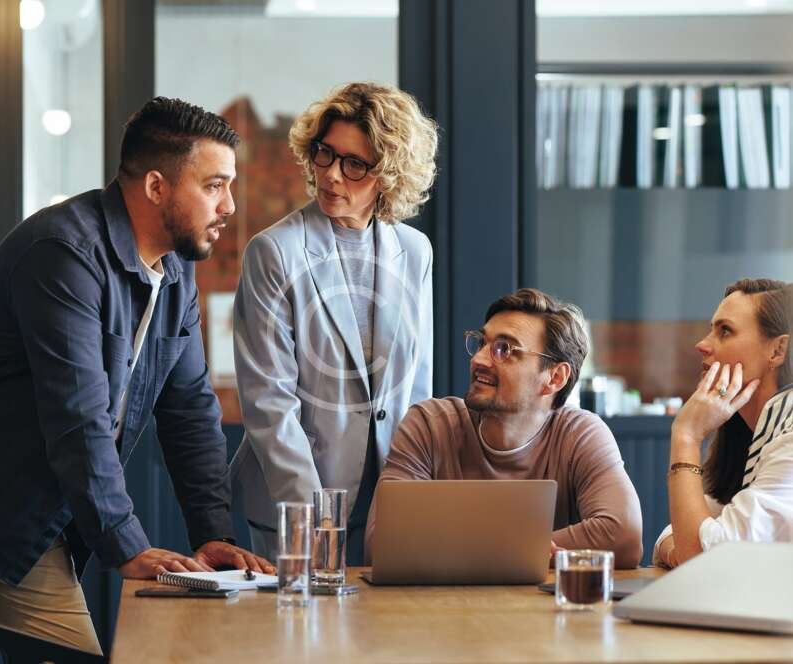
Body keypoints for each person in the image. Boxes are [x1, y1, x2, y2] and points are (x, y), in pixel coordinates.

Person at [0, 97, 273, 655]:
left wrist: (213, 535)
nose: (229, 205)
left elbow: (191, 410)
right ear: (156, 186)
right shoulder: (63, 253)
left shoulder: (174, 273)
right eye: (214, 186)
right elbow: (77, 417)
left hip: (25, 521)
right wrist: (128, 546)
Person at [230, 82, 438, 565]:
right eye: (325, 154)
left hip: (391, 499)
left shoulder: (415, 251)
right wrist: (314, 522)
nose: (331, 175)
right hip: (298, 500)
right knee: (305, 617)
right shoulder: (274, 251)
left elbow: (416, 386)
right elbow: (269, 404)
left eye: (354, 164)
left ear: (389, 173)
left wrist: (414, 495)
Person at [364, 288, 643, 569]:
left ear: (555, 377)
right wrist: (525, 550)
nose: (478, 359)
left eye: (505, 349)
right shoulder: (429, 425)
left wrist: (476, 551)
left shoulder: (579, 434)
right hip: (446, 599)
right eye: (482, 343)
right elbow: (382, 542)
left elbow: (624, 535)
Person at [654, 278, 793, 568]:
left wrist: (686, 435)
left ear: (777, 350)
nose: (702, 345)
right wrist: (683, 548)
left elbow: (704, 560)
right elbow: (678, 535)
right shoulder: (752, 431)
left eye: (725, 331)